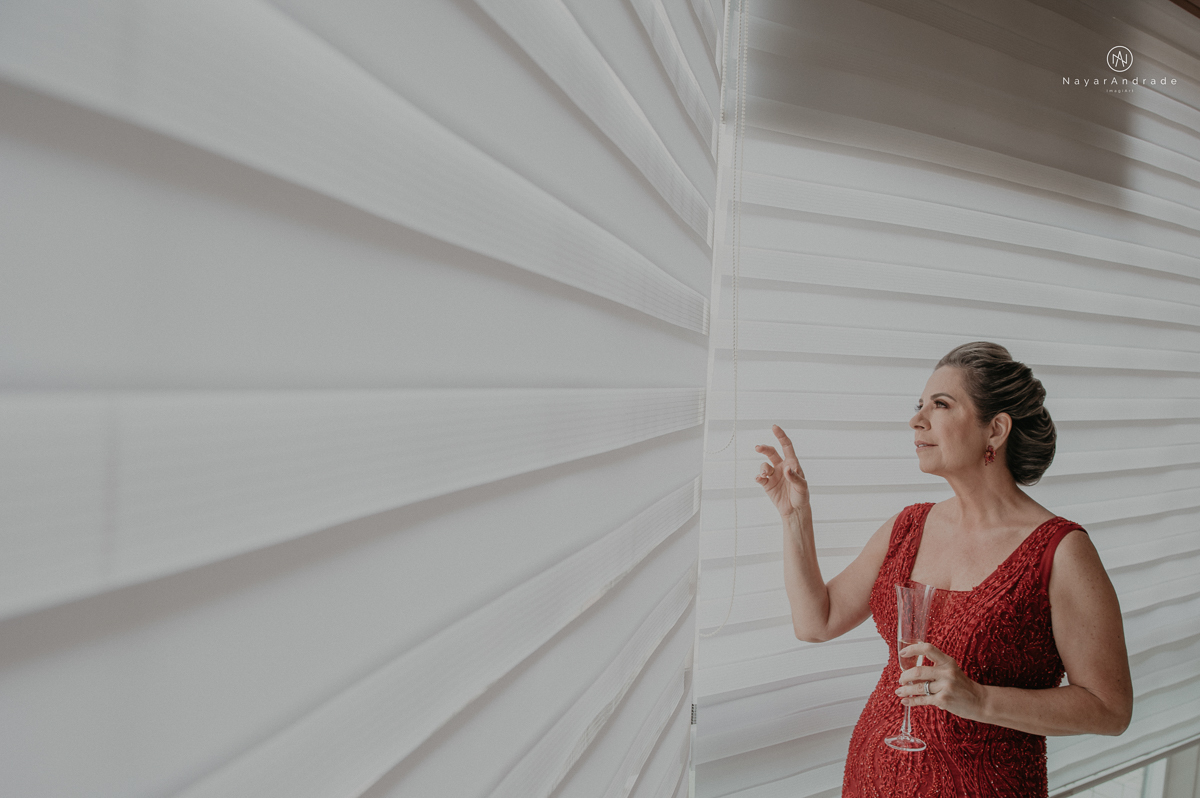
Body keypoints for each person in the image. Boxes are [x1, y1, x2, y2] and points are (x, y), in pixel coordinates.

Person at [753, 342, 1133, 797]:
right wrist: (795, 517)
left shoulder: (1061, 551)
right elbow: (817, 622)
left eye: (940, 405)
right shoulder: (908, 526)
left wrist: (981, 698)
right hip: (871, 779)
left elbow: (1110, 709)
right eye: (919, 406)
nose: (916, 420)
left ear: (995, 430)